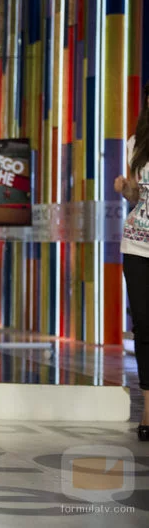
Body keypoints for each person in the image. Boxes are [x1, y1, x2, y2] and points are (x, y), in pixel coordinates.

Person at [114, 85, 149, 441]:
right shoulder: (136, 143)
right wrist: (127, 190)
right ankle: (148, 410)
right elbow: (139, 195)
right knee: (144, 325)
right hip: (138, 243)